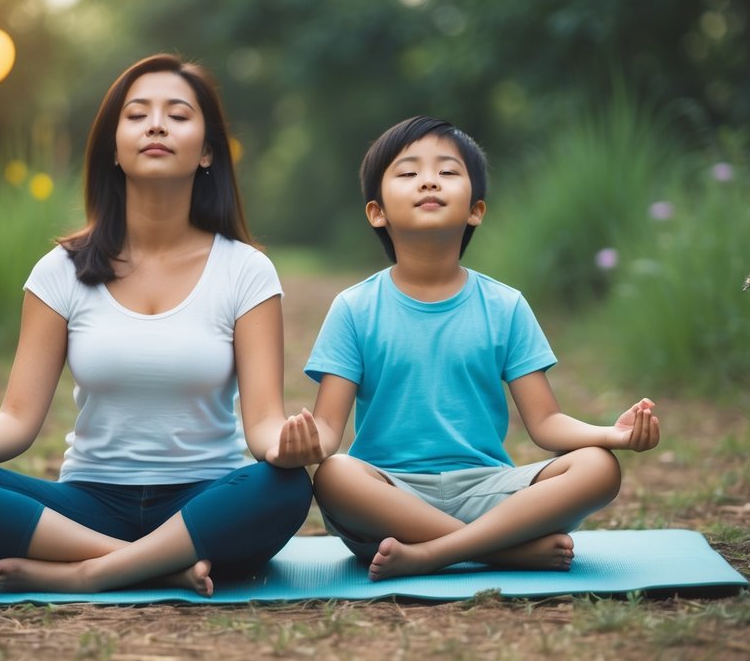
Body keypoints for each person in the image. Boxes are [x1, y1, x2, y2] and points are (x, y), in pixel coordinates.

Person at [0, 53, 313, 596]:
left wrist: (287, 447)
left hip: (206, 503)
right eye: (137, 115)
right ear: (113, 147)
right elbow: (15, 419)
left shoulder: (246, 270)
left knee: (286, 487)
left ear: (206, 152)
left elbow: (263, 424)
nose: (156, 124)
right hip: (88, 507)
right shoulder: (60, 271)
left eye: (177, 115)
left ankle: (90, 572)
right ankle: (155, 564)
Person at [275, 116, 660, 581]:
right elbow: (329, 432)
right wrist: (301, 442)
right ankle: (501, 552)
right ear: (377, 212)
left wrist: (611, 436)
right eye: (408, 172)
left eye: (448, 171)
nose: (430, 180)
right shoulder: (354, 308)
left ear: (475, 209)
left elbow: (546, 424)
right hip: (389, 497)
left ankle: (436, 553)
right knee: (335, 475)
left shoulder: (506, 305)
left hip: (489, 491)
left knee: (599, 468)